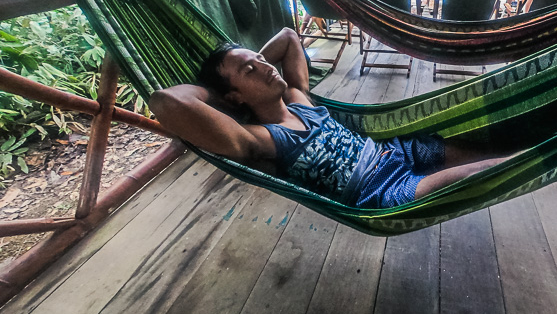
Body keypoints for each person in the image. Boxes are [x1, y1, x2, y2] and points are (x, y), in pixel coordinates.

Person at [150, 28, 511, 209]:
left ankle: (547, 144)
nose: (265, 67)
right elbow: (166, 102)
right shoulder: (262, 138)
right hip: (381, 192)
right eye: (250, 70)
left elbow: (290, 38)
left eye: (261, 61)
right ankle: (553, 155)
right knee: (497, 168)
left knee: (496, 145)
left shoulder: (297, 97)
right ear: (233, 96)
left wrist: (250, 67)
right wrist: (222, 98)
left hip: (397, 153)